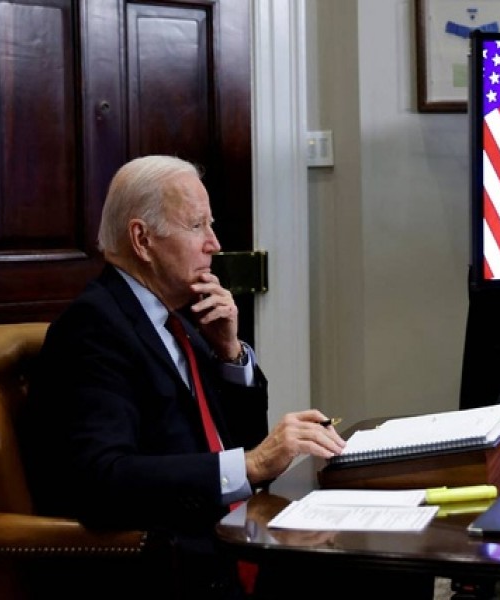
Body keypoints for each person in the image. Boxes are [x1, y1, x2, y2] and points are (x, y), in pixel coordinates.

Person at [20, 155, 346, 600]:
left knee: (379, 555)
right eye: (197, 226)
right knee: (372, 567)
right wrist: (250, 464)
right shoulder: (94, 328)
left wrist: (230, 353)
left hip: (231, 534)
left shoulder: (180, 318)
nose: (214, 243)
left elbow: (239, 441)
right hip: (174, 566)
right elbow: (102, 478)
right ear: (143, 238)